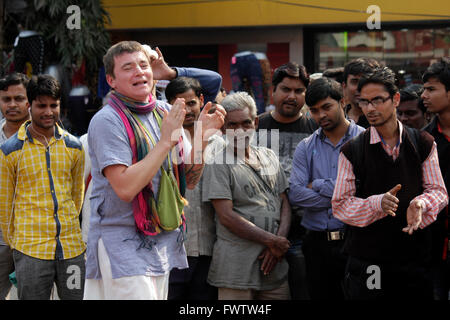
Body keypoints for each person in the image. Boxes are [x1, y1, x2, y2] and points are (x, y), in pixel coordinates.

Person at [83, 41, 225, 300]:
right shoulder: (106, 120)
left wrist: (202, 136)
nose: (139, 72)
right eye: (128, 68)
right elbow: (125, 188)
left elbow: (188, 180)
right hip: (121, 242)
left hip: (160, 238)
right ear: (112, 80)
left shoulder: (164, 111)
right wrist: (165, 141)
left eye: (143, 66)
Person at [332, 66, 448, 299]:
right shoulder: (352, 150)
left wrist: (421, 203)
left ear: (395, 99)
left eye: (377, 100)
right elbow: (341, 205)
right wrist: (377, 204)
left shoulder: (423, 142)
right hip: (369, 261)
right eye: (364, 102)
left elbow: (438, 191)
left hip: (414, 259)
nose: (370, 109)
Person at [0, 74, 86, 300]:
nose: (48, 112)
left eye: (53, 105)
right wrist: (19, 245)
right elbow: (5, 207)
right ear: (30, 106)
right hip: (30, 251)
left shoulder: (74, 146)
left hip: (71, 250)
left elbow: (77, 197)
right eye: (41, 105)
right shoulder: (11, 150)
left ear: (60, 106)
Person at [202, 91, 291, 300]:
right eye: (232, 125)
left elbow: (284, 203)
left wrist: (279, 242)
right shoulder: (218, 162)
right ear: (223, 128)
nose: (240, 130)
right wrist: (273, 241)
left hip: (274, 265)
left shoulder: (268, 155)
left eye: (246, 123)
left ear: (256, 122)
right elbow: (226, 216)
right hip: (236, 268)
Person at [288, 77, 365, 299]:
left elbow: (365, 190)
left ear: (342, 102)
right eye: (313, 110)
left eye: (326, 107)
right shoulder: (305, 146)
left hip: (357, 239)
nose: (321, 115)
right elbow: (296, 194)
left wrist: (319, 184)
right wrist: (346, 195)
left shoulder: (365, 139)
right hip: (316, 242)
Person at [257, 62, 317, 300]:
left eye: (299, 91)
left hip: (305, 234)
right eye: (285, 89)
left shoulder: (315, 128)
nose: (292, 96)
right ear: (273, 91)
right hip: (260, 234)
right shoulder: (255, 125)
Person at [164, 72, 223, 300]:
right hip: (174, 249)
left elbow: (214, 78)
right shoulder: (163, 143)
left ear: (201, 100)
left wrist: (170, 72)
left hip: (210, 247)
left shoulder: (219, 143)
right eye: (179, 105)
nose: (187, 110)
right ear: (167, 107)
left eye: (191, 103)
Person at [422, 57, 450, 300]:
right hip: (434, 249)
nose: (424, 95)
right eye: (424, 89)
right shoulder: (424, 140)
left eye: (431, 89)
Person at [0, 72, 30, 300]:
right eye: (6, 99)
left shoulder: (50, 137)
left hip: (35, 235)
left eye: (18, 99)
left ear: (30, 101)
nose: (12, 105)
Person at [343, 58, 381, 128]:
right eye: (354, 81)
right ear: (344, 86)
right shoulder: (336, 119)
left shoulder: (383, 121)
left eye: (365, 82)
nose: (359, 88)